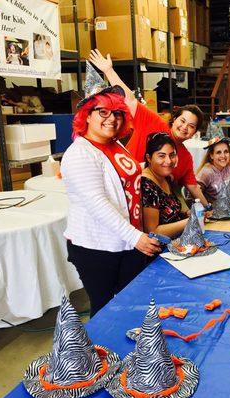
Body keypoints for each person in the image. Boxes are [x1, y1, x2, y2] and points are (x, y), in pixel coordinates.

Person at [61, 68, 161, 317]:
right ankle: (103, 355)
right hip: (98, 247)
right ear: (86, 116)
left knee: (130, 304)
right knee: (105, 309)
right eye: (102, 112)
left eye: (117, 112)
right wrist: (135, 237)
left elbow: (124, 179)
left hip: (126, 241)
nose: (112, 118)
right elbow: (97, 203)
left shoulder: (114, 144)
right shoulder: (80, 153)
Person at [88, 49, 210, 207]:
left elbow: (192, 186)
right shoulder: (153, 121)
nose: (184, 127)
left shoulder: (185, 158)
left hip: (151, 205)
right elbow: (130, 100)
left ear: (195, 132)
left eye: (191, 126)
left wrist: (208, 208)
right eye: (182, 120)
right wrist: (108, 70)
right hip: (122, 188)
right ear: (174, 120)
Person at [141, 133, 189, 238]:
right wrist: (189, 221)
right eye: (161, 156)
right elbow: (152, 232)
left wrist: (188, 214)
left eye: (172, 155)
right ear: (149, 158)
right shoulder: (146, 185)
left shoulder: (165, 177)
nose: (169, 161)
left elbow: (172, 213)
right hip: (160, 250)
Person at [196, 137, 230, 203]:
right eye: (218, 152)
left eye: (226, 152)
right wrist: (207, 207)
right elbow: (194, 194)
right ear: (211, 155)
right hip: (213, 210)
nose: (223, 156)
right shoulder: (206, 172)